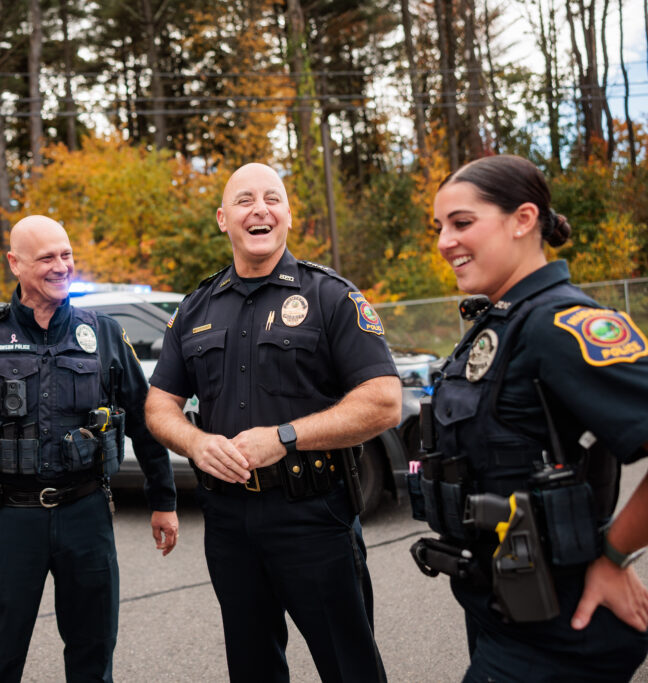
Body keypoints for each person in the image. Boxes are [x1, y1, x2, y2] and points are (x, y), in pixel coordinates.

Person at [144, 162, 401, 682]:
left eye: (272, 198)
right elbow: (158, 406)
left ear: (287, 214)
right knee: (253, 668)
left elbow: (384, 401)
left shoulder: (330, 297)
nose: (259, 209)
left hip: (314, 516)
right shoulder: (195, 308)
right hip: (228, 522)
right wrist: (194, 442)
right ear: (223, 218)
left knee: (350, 667)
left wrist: (287, 438)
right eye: (244, 200)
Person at [0, 214, 179, 682]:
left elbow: (144, 420)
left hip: (86, 513)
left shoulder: (105, 333)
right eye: (46, 257)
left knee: (94, 656)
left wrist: (164, 501)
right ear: (15, 263)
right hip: (9, 519)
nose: (61, 266)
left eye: (67, 254)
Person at [414, 154, 648, 681]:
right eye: (440, 227)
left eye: (462, 223)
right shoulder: (499, 320)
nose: (444, 241)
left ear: (523, 220)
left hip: (554, 632)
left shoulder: (561, 325)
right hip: (503, 610)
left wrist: (614, 557)